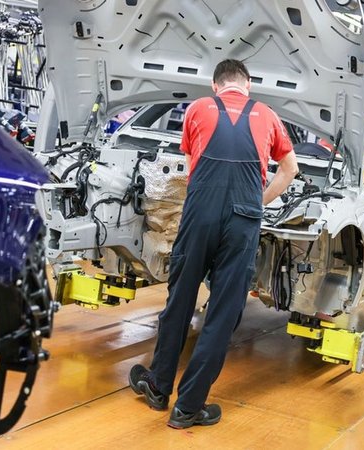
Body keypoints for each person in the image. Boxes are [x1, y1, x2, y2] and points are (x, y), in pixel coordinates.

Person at [127, 60, 298, 429]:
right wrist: (258, 200)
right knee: (222, 313)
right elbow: (290, 170)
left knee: (180, 299)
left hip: (200, 213)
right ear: (248, 85)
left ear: (215, 85)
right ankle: (188, 408)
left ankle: (157, 386)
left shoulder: (198, 108)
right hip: (243, 219)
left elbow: (193, 164)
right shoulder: (267, 114)